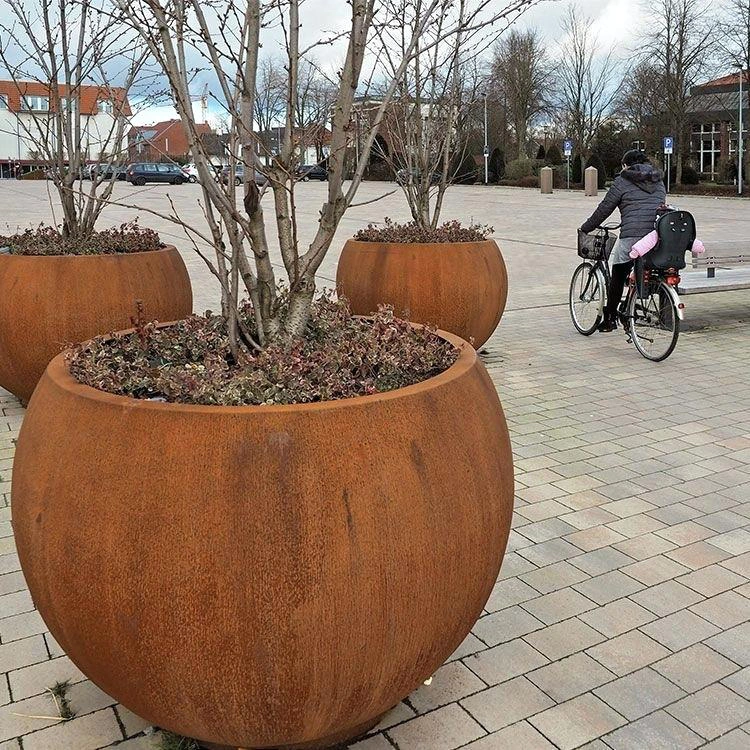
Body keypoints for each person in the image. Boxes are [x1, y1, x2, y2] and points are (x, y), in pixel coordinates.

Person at [580, 150, 666, 332]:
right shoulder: (658, 180)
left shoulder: (622, 181)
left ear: (626, 166)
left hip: (632, 236)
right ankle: (629, 306)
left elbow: (604, 209)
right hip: (654, 237)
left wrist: (587, 227)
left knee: (618, 274)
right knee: (641, 271)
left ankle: (610, 319)